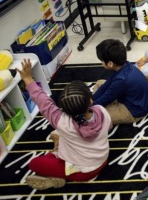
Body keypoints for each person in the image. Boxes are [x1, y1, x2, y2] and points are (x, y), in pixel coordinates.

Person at [17, 59, 111, 190]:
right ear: (90, 100)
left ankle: (56, 178)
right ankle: (58, 149)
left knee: (34, 164)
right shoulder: (101, 110)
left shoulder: (62, 122)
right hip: (103, 158)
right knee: (59, 136)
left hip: (83, 172)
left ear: (64, 109)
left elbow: (43, 102)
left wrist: (28, 79)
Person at [94, 39, 148, 125]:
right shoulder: (125, 65)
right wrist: (92, 99)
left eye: (102, 61)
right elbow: (106, 85)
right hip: (131, 97)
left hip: (134, 111)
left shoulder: (121, 80)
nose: (101, 63)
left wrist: (90, 107)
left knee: (96, 116)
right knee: (100, 83)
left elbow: (107, 97)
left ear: (110, 64)